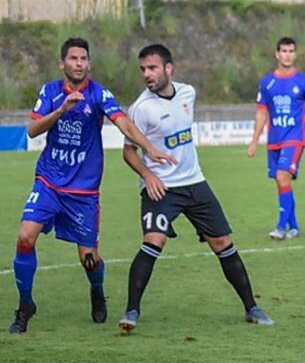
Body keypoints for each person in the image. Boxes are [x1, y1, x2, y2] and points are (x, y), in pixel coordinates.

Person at [9, 37, 174, 334]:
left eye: (83, 59)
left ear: (89, 64)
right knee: (24, 238)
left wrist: (148, 148)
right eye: (73, 59)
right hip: (48, 182)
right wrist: (61, 110)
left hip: (83, 193)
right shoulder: (50, 92)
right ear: (63, 63)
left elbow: (124, 123)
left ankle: (97, 290)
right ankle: (25, 305)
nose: (79, 64)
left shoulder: (99, 94)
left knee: (89, 259)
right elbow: (32, 130)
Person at [118, 44, 272, 332]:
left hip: (195, 183)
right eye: (143, 70)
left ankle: (252, 307)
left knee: (223, 243)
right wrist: (147, 175)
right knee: (154, 240)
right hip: (161, 187)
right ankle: (131, 311)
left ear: (168, 68)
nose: (147, 75)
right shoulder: (141, 108)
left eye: (152, 68)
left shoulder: (188, 93)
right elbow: (128, 152)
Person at [247, 37, 305, 240]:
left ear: (295, 54)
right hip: (274, 139)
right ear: (277, 54)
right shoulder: (267, 82)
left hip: (295, 138)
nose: (287, 55)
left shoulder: (304, 82)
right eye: (284, 51)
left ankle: (281, 227)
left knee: (283, 176)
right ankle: (294, 226)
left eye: (291, 51)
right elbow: (261, 114)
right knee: (281, 182)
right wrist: (254, 141)